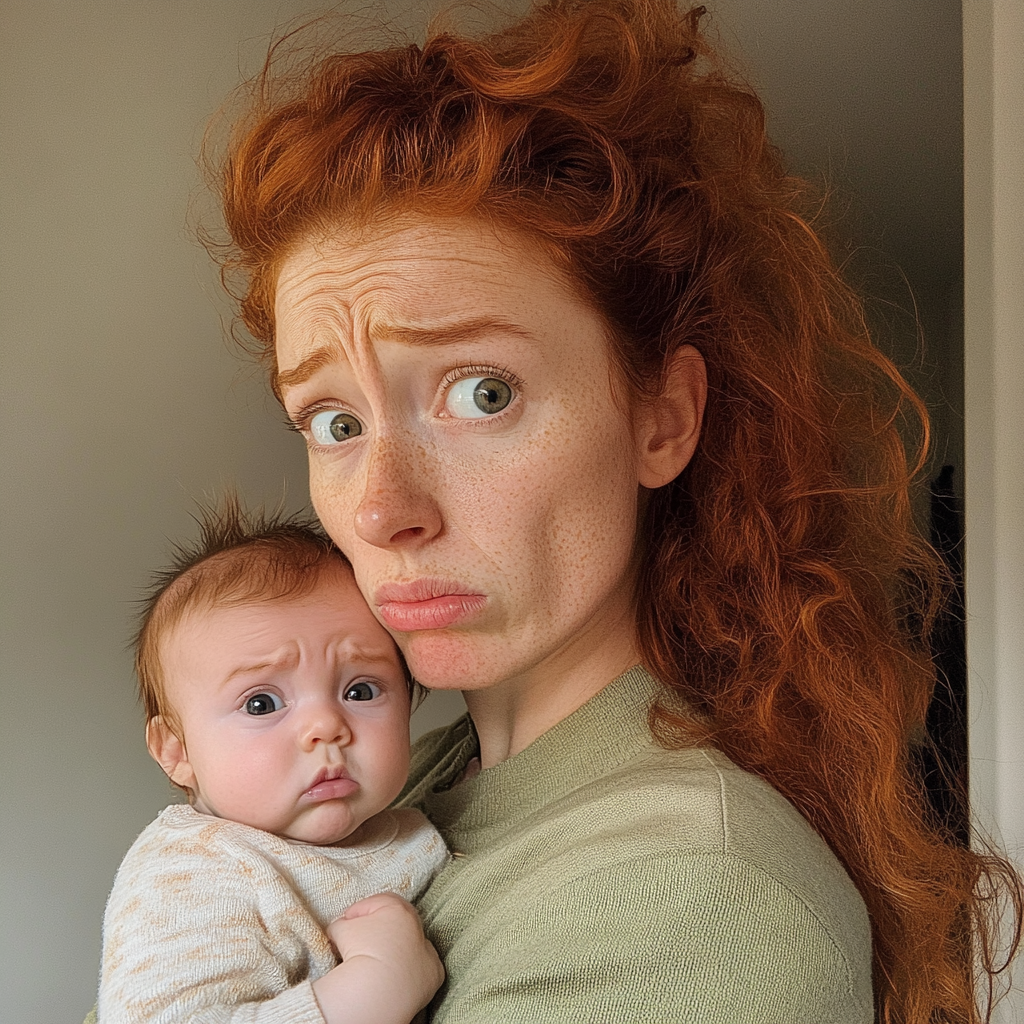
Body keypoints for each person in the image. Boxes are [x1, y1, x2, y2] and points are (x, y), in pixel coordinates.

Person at [196, 0, 1023, 1021]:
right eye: (331, 420)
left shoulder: (694, 899)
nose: (379, 509)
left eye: (481, 392)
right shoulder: (414, 787)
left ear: (661, 419)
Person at [96, 503, 449, 1024]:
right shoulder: (194, 874)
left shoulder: (407, 820)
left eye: (361, 689)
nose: (325, 726)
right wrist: (375, 988)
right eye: (261, 703)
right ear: (177, 751)